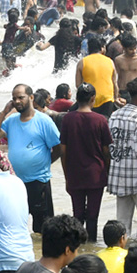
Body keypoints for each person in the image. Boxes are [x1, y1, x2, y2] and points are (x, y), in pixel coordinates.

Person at [0, 84, 60, 232]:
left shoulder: (44, 121)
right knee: (16, 225)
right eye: (14, 98)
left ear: (31, 98)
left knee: (43, 229)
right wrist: (4, 112)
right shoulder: (11, 120)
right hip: (16, 182)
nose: (17, 101)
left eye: (21, 97)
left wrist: (44, 162)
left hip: (39, 181)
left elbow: (58, 148)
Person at [58, 83, 111, 242]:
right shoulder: (100, 120)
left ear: (76, 98)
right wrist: (106, 171)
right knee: (93, 216)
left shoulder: (68, 118)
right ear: (93, 98)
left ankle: (78, 248)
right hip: (96, 174)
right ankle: (91, 248)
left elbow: (63, 151)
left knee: (78, 215)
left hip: (75, 174)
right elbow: (106, 151)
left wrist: (67, 176)